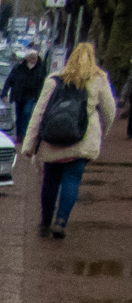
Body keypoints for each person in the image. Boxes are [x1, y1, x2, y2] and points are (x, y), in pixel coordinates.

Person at [22, 42, 117, 239]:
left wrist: (29, 143)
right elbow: (110, 110)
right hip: (80, 140)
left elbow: (38, 113)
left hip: (52, 140)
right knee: (72, 180)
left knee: (50, 181)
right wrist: (102, 131)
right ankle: (61, 222)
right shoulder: (98, 79)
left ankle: (45, 222)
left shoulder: (54, 80)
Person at [2, 49, 47, 139]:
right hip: (19, 95)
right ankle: (19, 134)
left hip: (31, 96)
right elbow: (10, 80)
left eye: (35, 57)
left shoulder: (40, 69)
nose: (33, 59)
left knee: (26, 114)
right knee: (19, 116)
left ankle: (23, 135)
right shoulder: (19, 67)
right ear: (27, 58)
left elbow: (42, 83)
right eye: (31, 57)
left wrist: (41, 96)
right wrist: (4, 93)